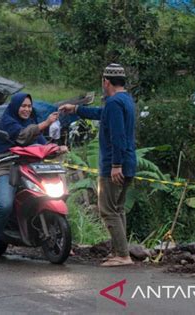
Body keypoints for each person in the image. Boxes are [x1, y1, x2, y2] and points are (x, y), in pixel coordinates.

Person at [59, 63, 137, 267]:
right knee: (118, 209)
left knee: (108, 210)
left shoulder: (113, 103)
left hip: (115, 163)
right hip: (128, 161)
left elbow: (117, 135)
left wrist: (116, 165)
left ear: (106, 81)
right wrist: (76, 109)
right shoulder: (125, 100)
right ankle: (119, 251)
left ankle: (122, 255)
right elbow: (100, 114)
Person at [0, 92, 66, 263]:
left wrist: (56, 148)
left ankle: (60, 239)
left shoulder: (31, 121)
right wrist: (46, 122)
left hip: (29, 167)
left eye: (29, 106)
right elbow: (23, 135)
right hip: (7, 166)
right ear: (15, 107)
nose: (27, 109)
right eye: (23, 106)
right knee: (5, 205)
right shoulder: (8, 121)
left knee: (54, 194)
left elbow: (42, 142)